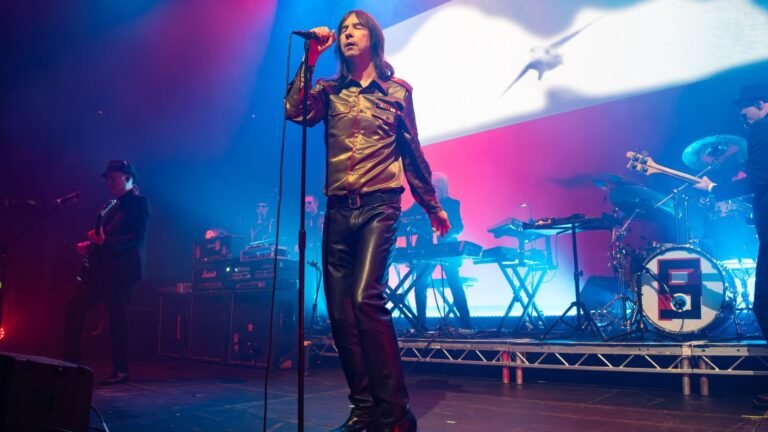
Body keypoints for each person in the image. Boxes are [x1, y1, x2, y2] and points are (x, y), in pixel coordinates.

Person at [285, 10, 450, 432]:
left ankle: (396, 413)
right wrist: (311, 58)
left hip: (380, 205)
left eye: (356, 27)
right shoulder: (328, 90)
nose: (346, 34)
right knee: (339, 314)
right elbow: (294, 111)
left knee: (364, 300)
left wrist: (432, 206)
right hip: (338, 208)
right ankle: (364, 410)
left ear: (374, 39)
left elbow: (412, 154)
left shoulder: (396, 92)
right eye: (342, 30)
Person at [694, 83, 768, 407]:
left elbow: (758, 179)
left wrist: (714, 188)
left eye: (746, 112)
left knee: (764, 302)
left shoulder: (763, 129)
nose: (744, 118)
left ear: (762, 103)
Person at [64, 160, 150, 385]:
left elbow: (135, 239)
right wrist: (90, 243)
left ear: (128, 177)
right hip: (104, 270)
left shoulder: (139, 204)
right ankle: (70, 363)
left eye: (114, 177)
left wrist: (104, 241)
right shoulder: (113, 205)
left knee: (116, 317)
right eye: (108, 178)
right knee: (76, 305)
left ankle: (121, 370)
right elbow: (106, 238)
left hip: (122, 270)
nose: (109, 182)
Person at [405, 173, 472, 332]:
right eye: (430, 185)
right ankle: (421, 325)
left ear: (443, 188)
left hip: (447, 249)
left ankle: (467, 324)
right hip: (425, 250)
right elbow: (404, 217)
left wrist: (443, 232)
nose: (431, 189)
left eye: (435, 186)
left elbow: (459, 228)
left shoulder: (452, 204)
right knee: (420, 285)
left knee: (455, 283)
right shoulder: (420, 204)